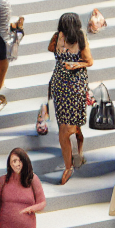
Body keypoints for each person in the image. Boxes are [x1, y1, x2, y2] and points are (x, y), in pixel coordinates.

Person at [47, 12, 93, 185]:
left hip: (75, 85)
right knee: (64, 126)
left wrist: (75, 64)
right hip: (59, 83)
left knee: (71, 127)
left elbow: (89, 61)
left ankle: (74, 157)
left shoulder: (81, 38)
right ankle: (71, 161)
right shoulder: (57, 37)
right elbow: (51, 48)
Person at [0, 148, 46, 228]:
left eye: (20, 161)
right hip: (5, 227)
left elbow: (42, 202)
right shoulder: (2, 181)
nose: (17, 164)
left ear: (25, 162)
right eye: (14, 161)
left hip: (26, 227)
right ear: (9, 163)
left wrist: (30, 209)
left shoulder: (32, 179)